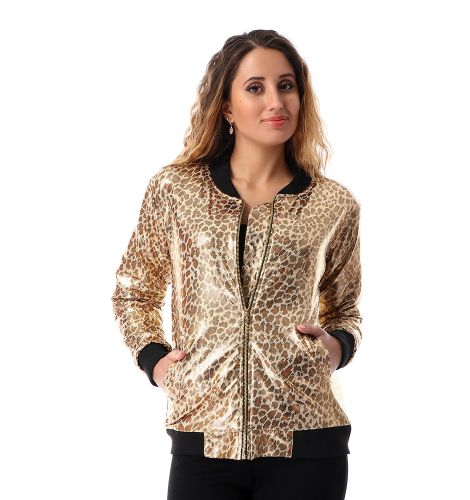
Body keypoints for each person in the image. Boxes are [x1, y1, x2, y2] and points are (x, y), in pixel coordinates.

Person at [111, 29, 362, 500]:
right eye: (255, 88)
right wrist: (155, 361)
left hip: (309, 439)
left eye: (286, 86)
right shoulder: (176, 191)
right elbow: (134, 289)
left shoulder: (332, 203)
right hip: (203, 435)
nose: (276, 102)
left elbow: (346, 309)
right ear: (226, 106)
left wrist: (336, 348)